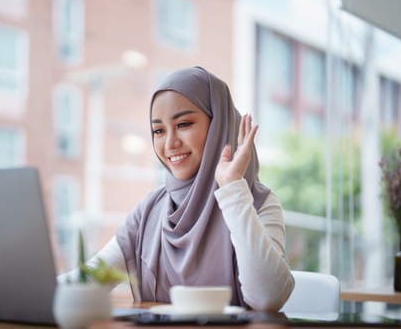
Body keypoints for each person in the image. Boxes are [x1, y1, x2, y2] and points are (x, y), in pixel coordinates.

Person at [61, 66, 294, 311]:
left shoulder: (259, 203)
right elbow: (91, 279)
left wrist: (233, 189)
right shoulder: (152, 209)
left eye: (183, 124)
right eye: (159, 130)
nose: (170, 143)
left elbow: (268, 297)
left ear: (218, 126)